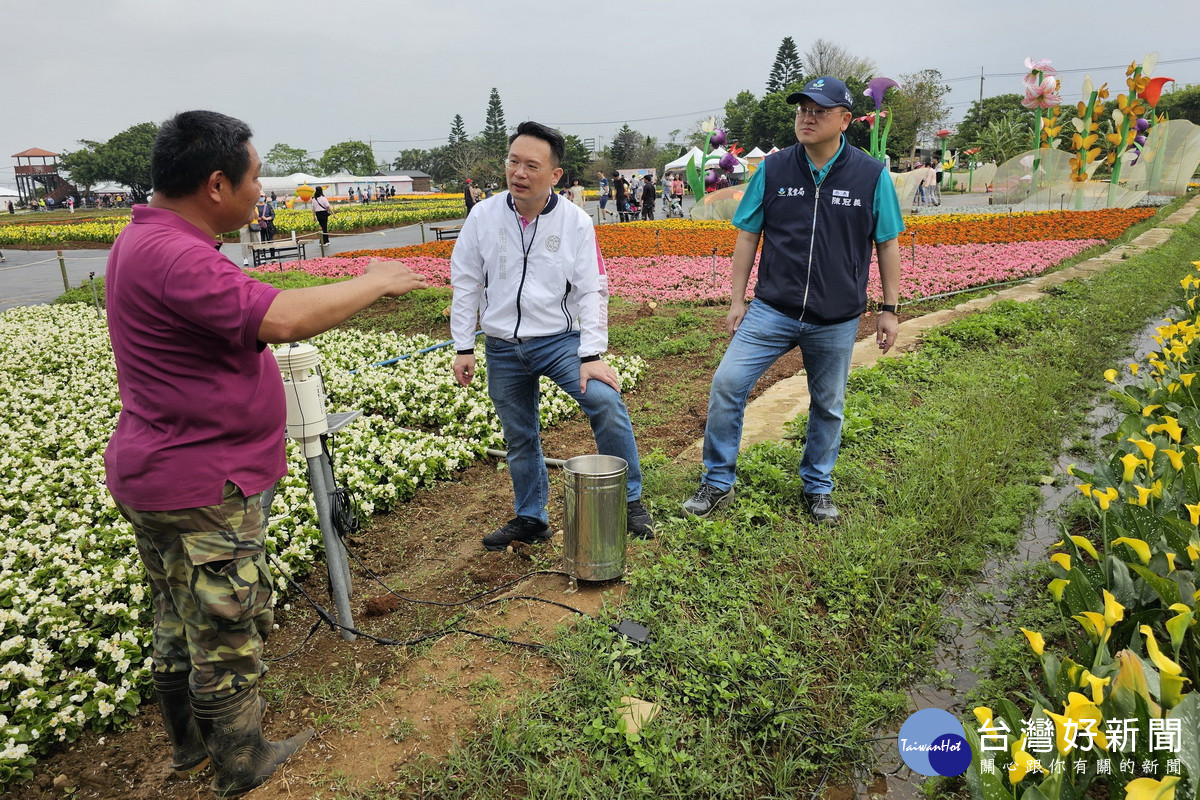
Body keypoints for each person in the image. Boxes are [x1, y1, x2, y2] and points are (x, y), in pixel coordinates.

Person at [103, 110, 427, 797]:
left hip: (157, 470)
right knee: (224, 627)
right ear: (216, 184)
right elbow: (281, 318)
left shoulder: (144, 239)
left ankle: (189, 746)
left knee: (176, 612)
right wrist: (376, 280)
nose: (263, 194)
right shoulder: (177, 254)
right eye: (256, 179)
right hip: (201, 483)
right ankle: (240, 761)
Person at [681, 76, 903, 525]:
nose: (808, 116)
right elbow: (748, 235)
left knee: (828, 404)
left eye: (819, 110)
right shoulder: (775, 169)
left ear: (844, 120)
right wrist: (737, 299)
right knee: (727, 384)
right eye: (802, 109)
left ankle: (818, 487)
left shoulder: (871, 175)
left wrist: (890, 309)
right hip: (772, 309)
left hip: (836, 317)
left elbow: (887, 243)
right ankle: (717, 481)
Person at [450, 121, 654, 550]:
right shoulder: (483, 216)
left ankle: (630, 498)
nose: (518, 173)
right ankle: (531, 517)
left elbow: (592, 288)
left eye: (531, 165)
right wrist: (464, 345)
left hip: (558, 341)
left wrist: (591, 353)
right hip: (503, 347)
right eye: (513, 162)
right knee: (519, 434)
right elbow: (466, 281)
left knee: (604, 401)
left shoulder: (576, 223)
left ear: (554, 175)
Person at [256, 193, 276, 258]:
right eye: (259, 196)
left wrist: (267, 218)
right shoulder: (255, 206)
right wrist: (258, 218)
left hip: (268, 226)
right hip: (259, 226)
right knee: (262, 241)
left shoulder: (268, 206)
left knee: (270, 240)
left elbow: (273, 215)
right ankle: (263, 256)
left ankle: (273, 256)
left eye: (262, 196)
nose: (261, 197)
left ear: (265, 197)